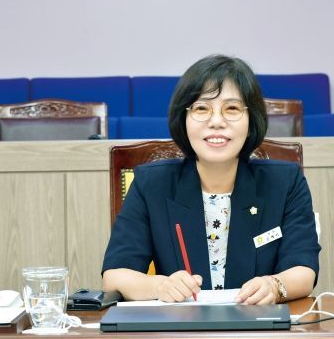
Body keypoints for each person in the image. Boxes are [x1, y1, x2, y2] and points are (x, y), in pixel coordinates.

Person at [102, 55, 320, 304]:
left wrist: (275, 286)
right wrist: (159, 286)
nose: (216, 122)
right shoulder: (151, 184)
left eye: (232, 109)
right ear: (183, 119)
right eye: (202, 109)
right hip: (181, 324)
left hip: (258, 322)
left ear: (252, 119)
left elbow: (304, 270)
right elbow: (115, 276)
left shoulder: (285, 182)